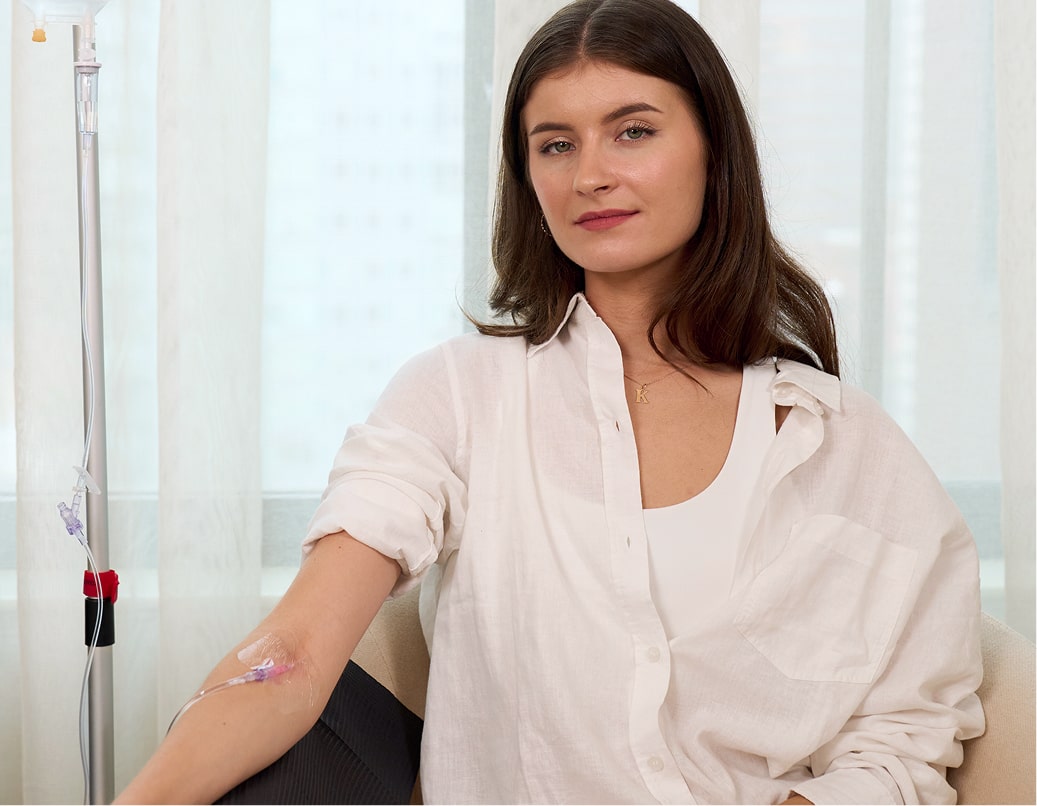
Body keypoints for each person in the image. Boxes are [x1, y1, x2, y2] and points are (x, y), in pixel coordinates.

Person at [117, 0, 984, 803]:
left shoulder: (840, 443)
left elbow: (905, 736)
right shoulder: (458, 397)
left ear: (713, 152)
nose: (590, 175)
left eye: (632, 131)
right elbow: (296, 655)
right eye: (556, 144)